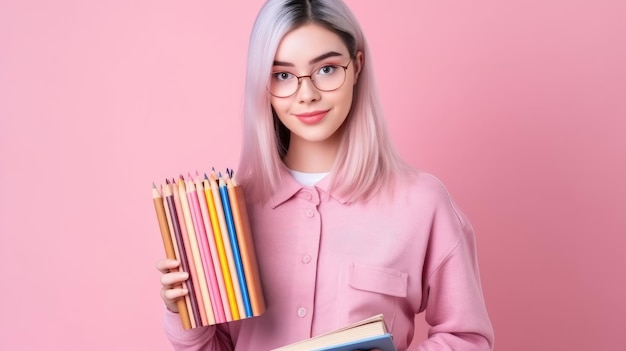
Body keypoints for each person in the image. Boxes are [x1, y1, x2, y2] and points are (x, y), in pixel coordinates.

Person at [156, 0, 494, 350]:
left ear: (356, 66)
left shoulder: (422, 204)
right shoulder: (226, 213)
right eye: (282, 75)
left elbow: (466, 339)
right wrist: (183, 312)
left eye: (327, 69)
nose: (307, 95)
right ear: (263, 84)